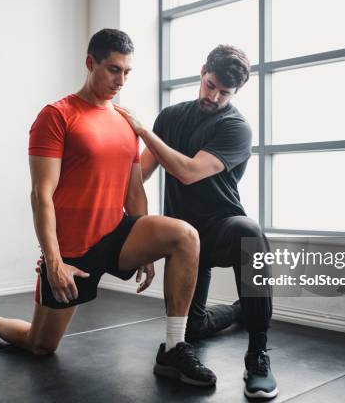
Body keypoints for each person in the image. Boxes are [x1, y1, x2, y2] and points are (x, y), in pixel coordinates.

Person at [0, 28, 216, 387]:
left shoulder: (125, 121)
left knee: (185, 236)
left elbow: (133, 191)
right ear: (90, 63)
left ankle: (175, 348)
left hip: (116, 235)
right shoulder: (57, 115)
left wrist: (147, 249)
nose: (121, 80)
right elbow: (41, 194)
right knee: (40, 345)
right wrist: (53, 261)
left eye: (127, 72)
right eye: (114, 69)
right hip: (72, 252)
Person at [115, 44, 277, 399]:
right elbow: (138, 173)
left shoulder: (236, 128)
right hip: (182, 237)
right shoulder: (171, 117)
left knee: (250, 233)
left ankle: (258, 354)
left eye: (225, 92)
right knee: (193, 330)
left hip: (221, 228)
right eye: (210, 85)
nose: (214, 96)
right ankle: (240, 312)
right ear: (202, 71)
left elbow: (188, 172)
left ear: (237, 93)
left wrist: (143, 132)